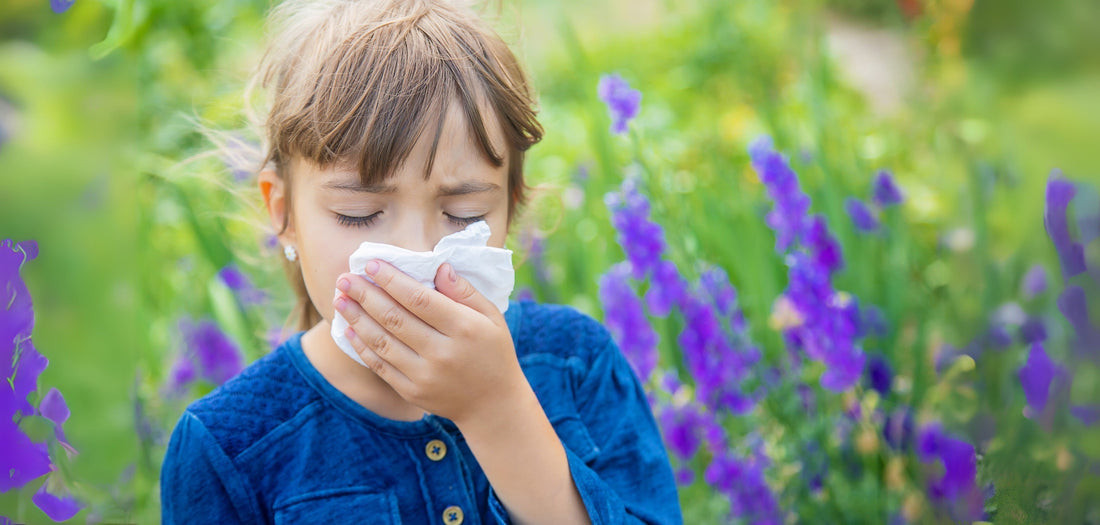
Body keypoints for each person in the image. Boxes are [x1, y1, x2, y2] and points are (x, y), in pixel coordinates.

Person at [159, 0, 682, 523]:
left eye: (462, 213)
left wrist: (495, 410)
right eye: (358, 214)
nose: (416, 252)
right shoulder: (230, 445)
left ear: (509, 209)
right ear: (285, 213)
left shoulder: (575, 363)